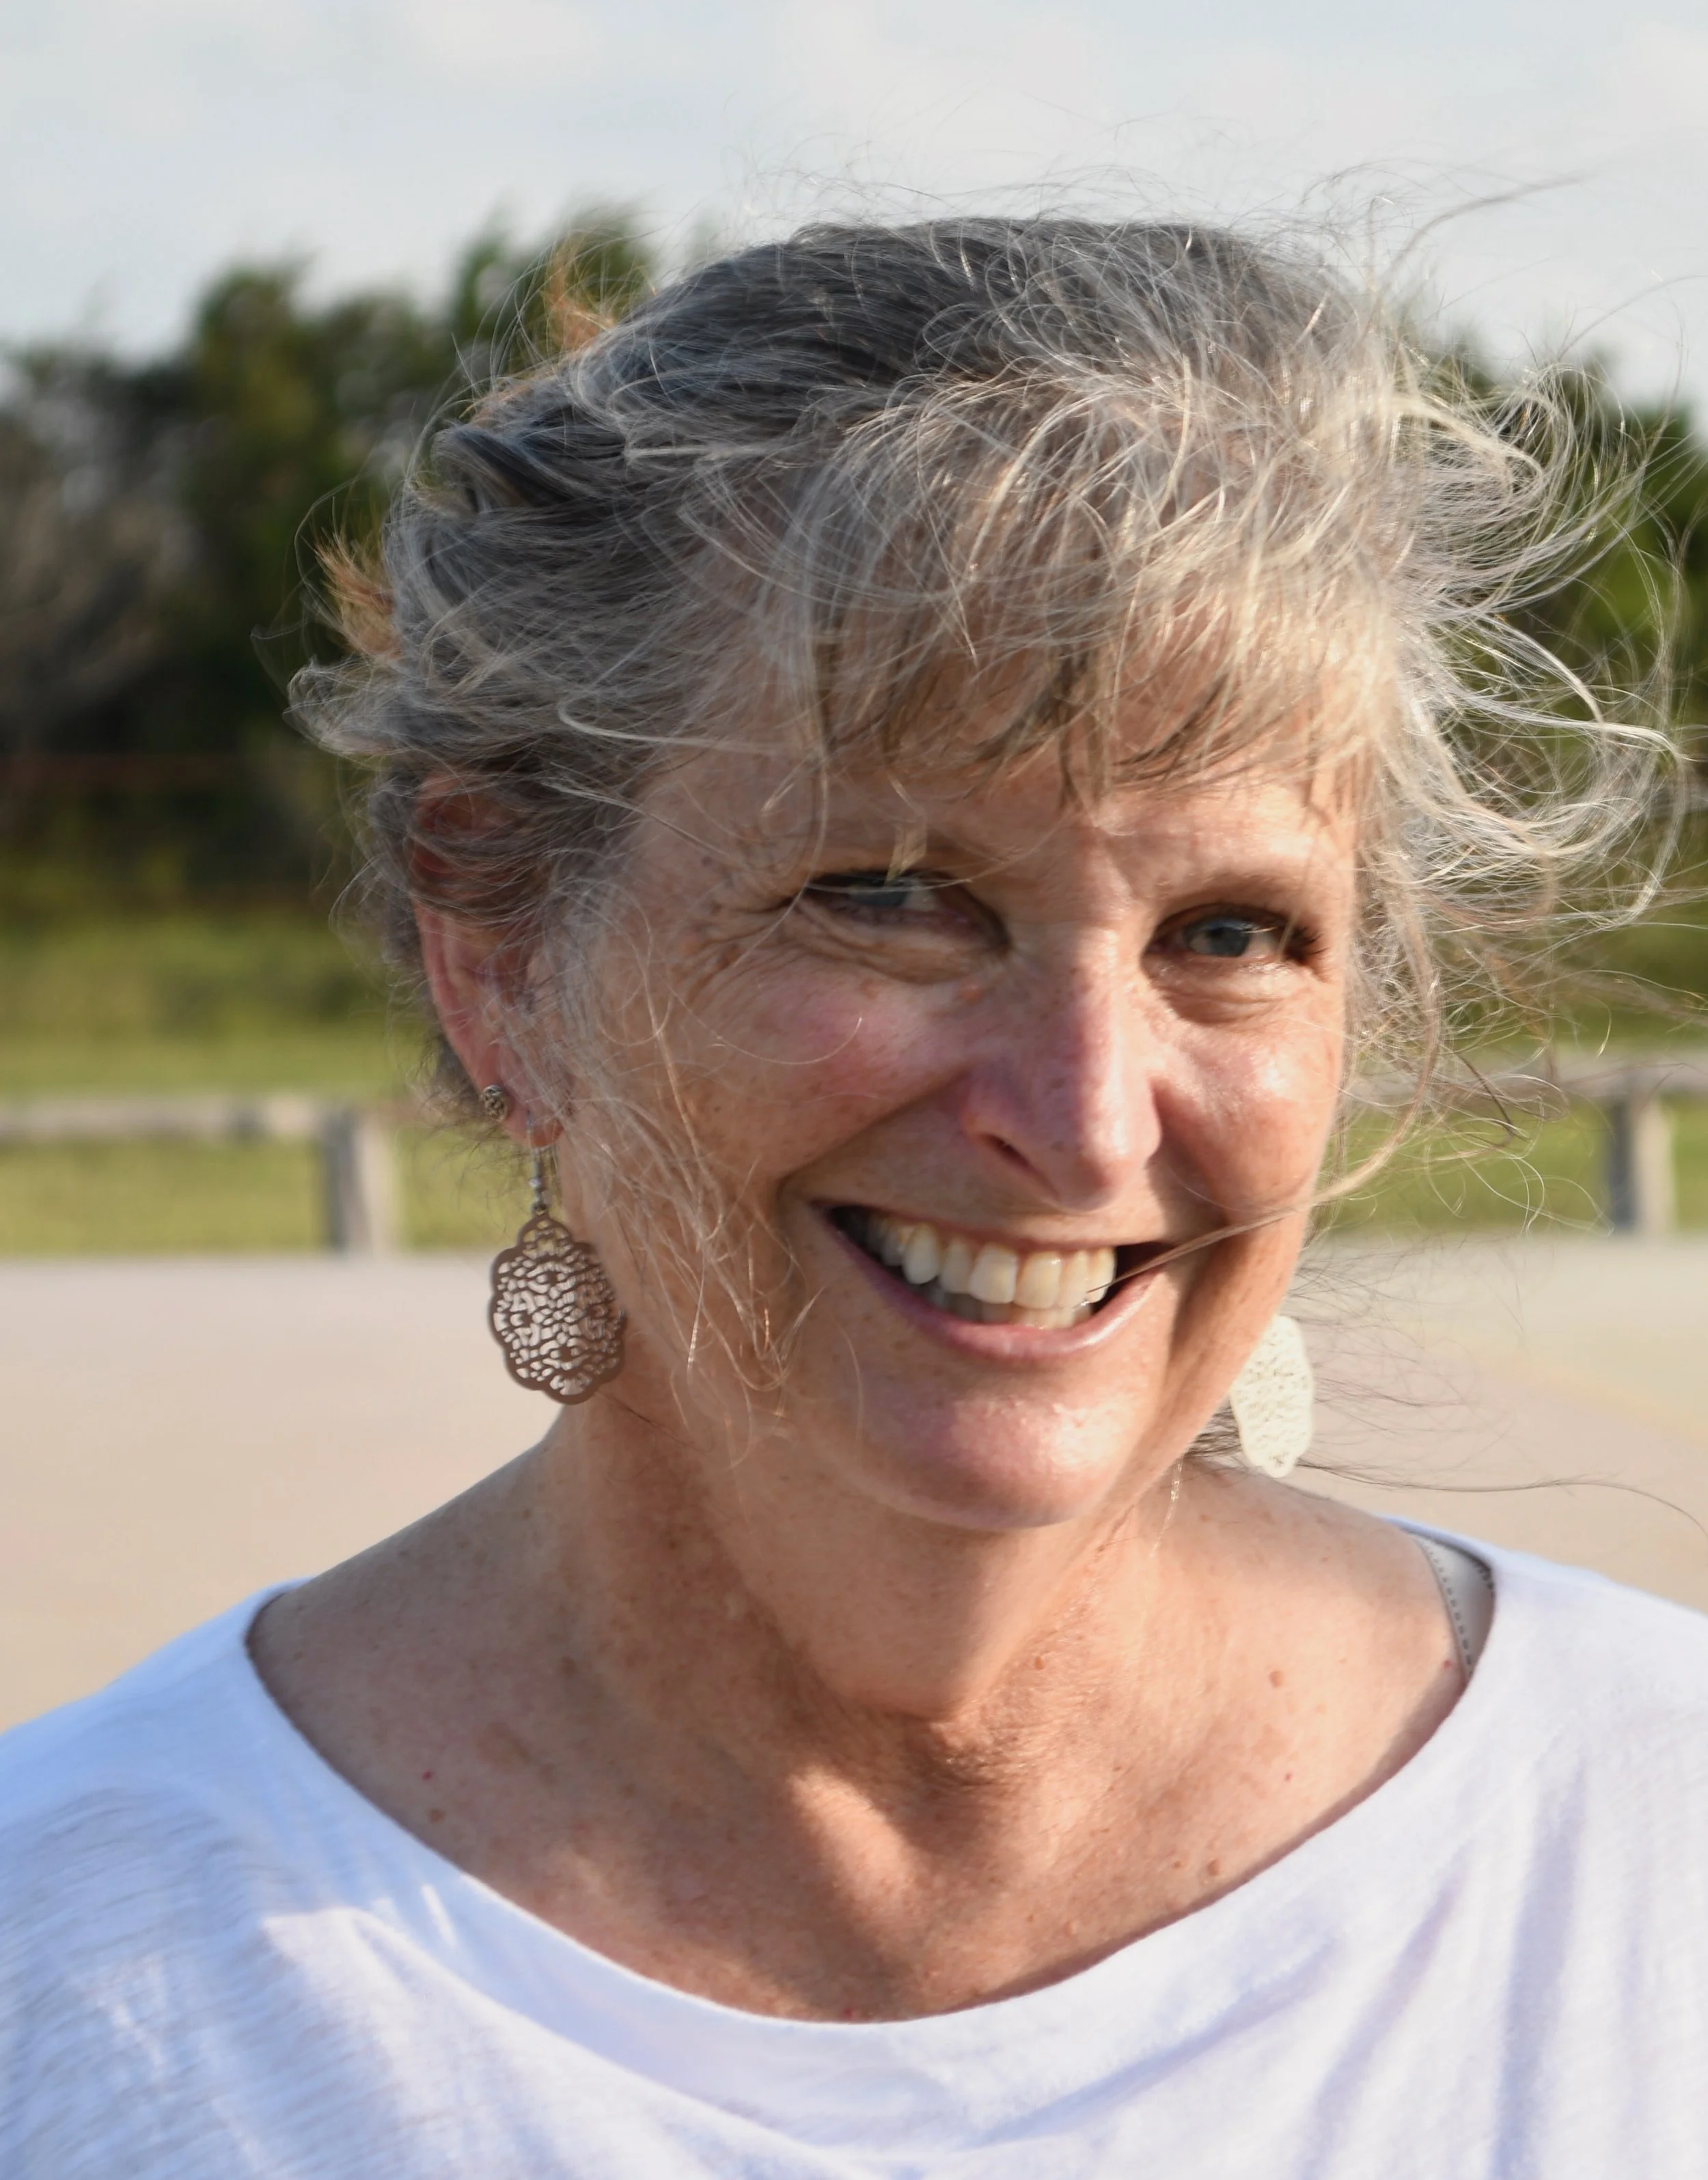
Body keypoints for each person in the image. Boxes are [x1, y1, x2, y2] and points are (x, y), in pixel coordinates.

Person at [2, 214, 1705, 2179]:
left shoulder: (1646, 1866)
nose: (1078, 1122)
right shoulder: (70, 1977)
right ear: (499, 951)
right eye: (891, 897)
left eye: (1228, 930)